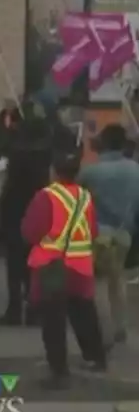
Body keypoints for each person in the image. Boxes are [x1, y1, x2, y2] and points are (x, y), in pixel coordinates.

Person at [22, 151, 108, 388]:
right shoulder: (84, 196)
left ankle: (58, 369)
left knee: (53, 320)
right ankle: (95, 357)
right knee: (84, 313)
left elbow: (31, 231)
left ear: (53, 171)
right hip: (80, 265)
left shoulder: (46, 196)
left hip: (52, 265)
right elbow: (93, 230)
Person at [77, 123, 140, 347]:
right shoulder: (135, 169)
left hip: (98, 234)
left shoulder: (90, 171)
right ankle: (121, 326)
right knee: (117, 279)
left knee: (98, 284)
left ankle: (105, 333)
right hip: (125, 233)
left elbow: (77, 200)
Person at [0, 109, 54, 326]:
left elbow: (9, 189)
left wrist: (2, 223)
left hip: (15, 214)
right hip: (39, 213)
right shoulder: (45, 155)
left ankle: (14, 309)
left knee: (14, 265)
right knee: (35, 266)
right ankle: (34, 309)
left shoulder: (17, 154)